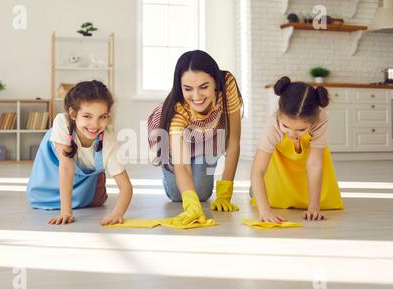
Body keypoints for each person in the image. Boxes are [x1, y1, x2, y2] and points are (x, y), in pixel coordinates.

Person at [148, 50, 243, 225]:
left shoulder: (227, 84)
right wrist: (191, 205)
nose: (197, 97)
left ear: (216, 82)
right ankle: (167, 166)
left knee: (202, 192)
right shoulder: (177, 111)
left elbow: (233, 141)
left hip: (207, 131)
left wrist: (224, 194)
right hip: (172, 136)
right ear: (180, 86)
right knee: (177, 195)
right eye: (188, 89)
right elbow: (182, 164)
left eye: (204, 87)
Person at [27, 80, 132, 226]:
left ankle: (92, 186)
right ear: (73, 113)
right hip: (55, 171)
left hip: (86, 175)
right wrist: (66, 212)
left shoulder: (108, 138)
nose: (95, 125)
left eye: (102, 116)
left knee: (97, 201)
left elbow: (125, 186)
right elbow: (66, 167)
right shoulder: (62, 122)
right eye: (87, 116)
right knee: (39, 199)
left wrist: (117, 213)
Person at [250, 76, 343, 223]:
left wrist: (314, 207)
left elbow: (314, 164)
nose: (292, 134)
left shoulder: (321, 119)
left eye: (301, 129)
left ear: (313, 122)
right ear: (279, 114)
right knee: (261, 192)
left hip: (304, 172)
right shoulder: (273, 124)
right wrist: (265, 211)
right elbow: (257, 171)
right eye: (285, 126)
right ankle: (253, 190)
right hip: (279, 174)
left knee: (320, 201)